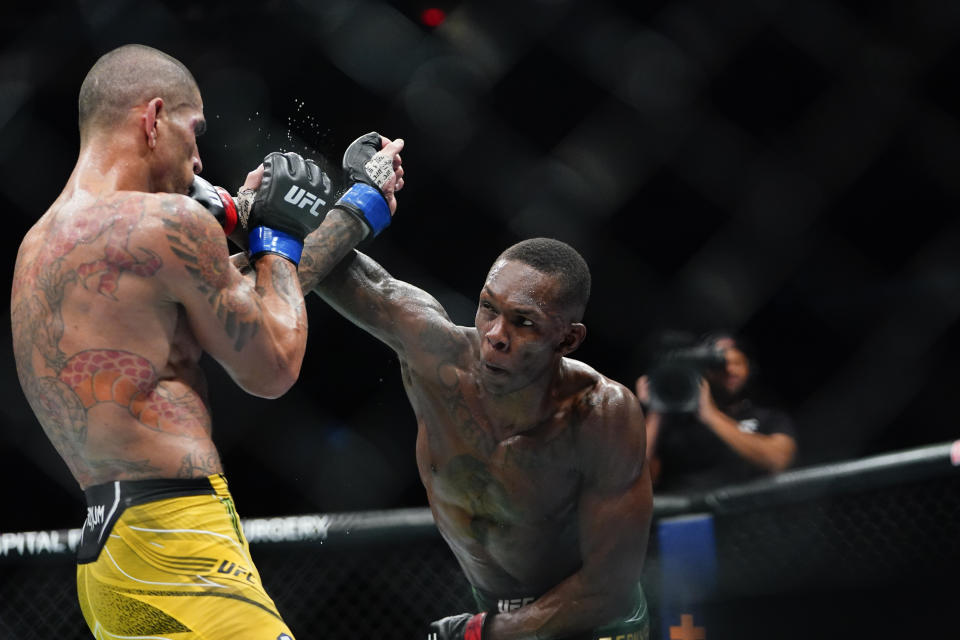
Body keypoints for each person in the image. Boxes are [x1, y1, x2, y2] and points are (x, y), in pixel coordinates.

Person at [10, 44, 404, 639]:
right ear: (153, 119)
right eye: (192, 134)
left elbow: (237, 303)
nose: (197, 159)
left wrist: (350, 213)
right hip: (180, 543)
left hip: (109, 552)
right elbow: (271, 364)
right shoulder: (168, 225)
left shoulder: (37, 247)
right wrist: (275, 235)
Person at [313, 238, 652, 640]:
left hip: (594, 621)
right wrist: (234, 214)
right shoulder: (435, 356)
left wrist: (485, 633)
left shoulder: (600, 414)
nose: (495, 334)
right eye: (488, 307)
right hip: (491, 611)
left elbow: (608, 586)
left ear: (567, 340)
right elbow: (342, 270)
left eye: (523, 322)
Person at [636, 333, 797, 493]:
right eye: (718, 366)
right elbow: (637, 476)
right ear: (704, 373)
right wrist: (658, 406)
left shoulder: (769, 418)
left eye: (737, 363)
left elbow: (778, 459)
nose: (729, 370)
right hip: (685, 514)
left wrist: (710, 415)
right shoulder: (674, 422)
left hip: (749, 510)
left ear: (750, 369)